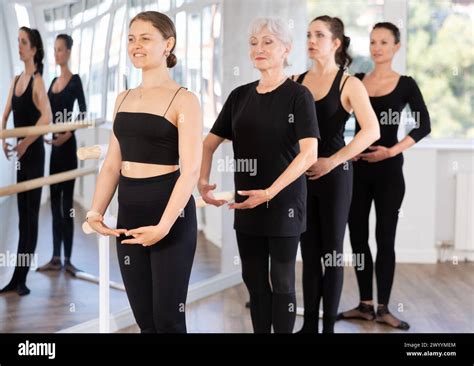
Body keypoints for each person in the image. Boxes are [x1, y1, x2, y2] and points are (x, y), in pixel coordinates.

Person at [200, 17, 320, 333]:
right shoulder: (239, 96)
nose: (259, 49)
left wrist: (270, 192)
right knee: (252, 280)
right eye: (254, 43)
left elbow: (310, 153)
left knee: (281, 281)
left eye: (268, 42)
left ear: (286, 50)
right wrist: (202, 180)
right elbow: (209, 144)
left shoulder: (298, 95)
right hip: (246, 203)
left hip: (284, 203)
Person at [87, 11, 202, 333]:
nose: (136, 45)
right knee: (145, 319)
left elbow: (191, 169)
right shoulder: (123, 98)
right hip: (130, 211)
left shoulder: (185, 100)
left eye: (145, 38)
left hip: (170, 215)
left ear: (169, 44)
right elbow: (112, 163)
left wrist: (164, 226)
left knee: (168, 319)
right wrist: (96, 211)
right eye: (131, 39)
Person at [337, 22, 431, 330]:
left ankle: (384, 308)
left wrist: (391, 151)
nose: (377, 47)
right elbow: (334, 116)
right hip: (358, 169)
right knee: (358, 237)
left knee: (384, 239)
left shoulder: (405, 83)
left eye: (384, 42)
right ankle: (365, 305)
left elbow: (423, 125)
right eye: (373, 41)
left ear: (396, 47)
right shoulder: (358, 81)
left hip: (390, 172)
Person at [293, 15, 380, 333]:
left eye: (319, 35)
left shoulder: (349, 83)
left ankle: (328, 327)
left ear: (336, 43)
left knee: (331, 252)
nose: (311, 40)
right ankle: (310, 327)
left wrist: (331, 161)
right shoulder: (295, 81)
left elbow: (371, 130)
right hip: (302, 179)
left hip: (335, 177)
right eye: (308, 34)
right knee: (309, 252)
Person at [0, 27, 52, 296]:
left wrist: (24, 143)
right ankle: (15, 277)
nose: (19, 46)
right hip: (21, 157)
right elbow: (6, 111)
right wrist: (4, 139)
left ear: (33, 50)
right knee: (22, 219)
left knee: (30, 218)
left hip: (32, 157)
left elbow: (47, 117)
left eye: (23, 42)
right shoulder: (16, 79)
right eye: (18, 41)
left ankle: (21, 279)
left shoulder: (38, 80)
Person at [37, 34, 87, 275]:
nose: (56, 54)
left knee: (67, 205)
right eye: (54, 49)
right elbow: (47, 113)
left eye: (59, 49)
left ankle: (68, 260)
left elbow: (83, 113)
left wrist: (66, 134)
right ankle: (55, 257)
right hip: (54, 151)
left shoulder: (75, 81)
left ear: (68, 52)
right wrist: (47, 133)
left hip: (68, 149)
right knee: (55, 203)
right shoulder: (52, 82)